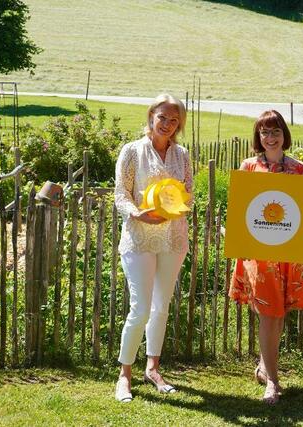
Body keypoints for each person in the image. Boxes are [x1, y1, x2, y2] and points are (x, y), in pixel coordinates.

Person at [229, 110, 303, 404]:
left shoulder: (299, 170)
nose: (270, 138)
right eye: (265, 132)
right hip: (260, 255)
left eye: (275, 131)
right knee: (270, 314)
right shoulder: (248, 167)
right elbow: (241, 208)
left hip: (289, 253)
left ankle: (263, 369)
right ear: (258, 136)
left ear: (284, 135)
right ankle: (273, 381)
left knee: (278, 315)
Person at [113, 93, 192, 402]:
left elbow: (188, 194)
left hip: (173, 239)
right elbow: (121, 193)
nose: (168, 124)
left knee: (161, 306)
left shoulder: (182, 154)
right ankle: (124, 375)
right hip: (139, 238)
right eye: (163, 117)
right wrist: (137, 213)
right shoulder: (132, 151)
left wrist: (179, 208)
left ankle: (153, 368)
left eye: (174, 120)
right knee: (141, 308)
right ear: (151, 116)